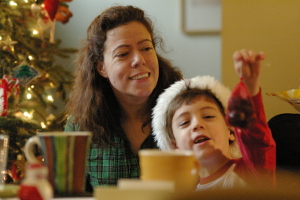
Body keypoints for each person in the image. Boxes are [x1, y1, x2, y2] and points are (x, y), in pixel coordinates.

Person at [64, 5, 183, 189]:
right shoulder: (80, 127)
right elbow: (69, 195)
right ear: (101, 68)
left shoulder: (186, 114)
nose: (139, 60)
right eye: (123, 54)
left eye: (146, 48)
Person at [152, 49, 276, 190]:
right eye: (185, 122)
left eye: (208, 116)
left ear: (231, 131)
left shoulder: (250, 172)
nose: (197, 124)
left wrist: (250, 87)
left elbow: (257, 142)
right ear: (175, 146)